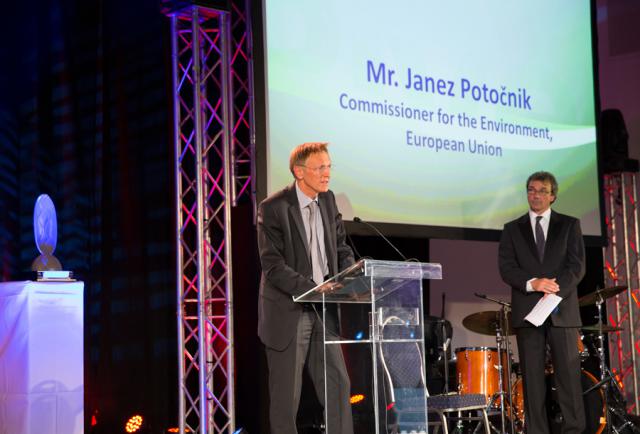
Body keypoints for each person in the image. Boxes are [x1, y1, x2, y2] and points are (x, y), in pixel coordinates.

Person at [257, 142, 354, 434]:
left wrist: (352, 274)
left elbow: (340, 247)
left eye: (329, 166)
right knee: (287, 398)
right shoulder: (273, 208)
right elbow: (273, 266)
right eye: (320, 167)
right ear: (300, 172)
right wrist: (312, 288)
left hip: (324, 309)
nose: (327, 174)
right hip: (289, 309)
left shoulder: (328, 200)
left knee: (339, 385)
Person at [498, 171, 586, 433]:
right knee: (533, 384)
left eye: (541, 190)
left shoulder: (569, 225)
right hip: (529, 313)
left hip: (562, 310)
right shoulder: (512, 229)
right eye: (530, 190)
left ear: (553, 196)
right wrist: (533, 283)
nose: (534, 194)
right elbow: (507, 268)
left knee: (569, 379)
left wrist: (555, 288)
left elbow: (577, 265)